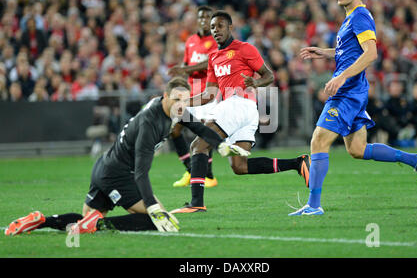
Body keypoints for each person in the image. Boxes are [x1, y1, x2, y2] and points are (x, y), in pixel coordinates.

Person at [5, 77, 249, 236]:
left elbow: (200, 129)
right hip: (118, 176)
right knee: (157, 220)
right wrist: (153, 206)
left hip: (105, 166)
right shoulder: (150, 124)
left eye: (185, 100)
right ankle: (100, 224)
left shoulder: (174, 109)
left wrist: (222, 146)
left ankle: (41, 220)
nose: (182, 105)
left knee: (83, 223)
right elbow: (141, 173)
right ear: (165, 97)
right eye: (176, 99)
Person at [291, 0, 417, 217]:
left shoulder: (359, 16)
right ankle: (415, 160)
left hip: (349, 91)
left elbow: (371, 53)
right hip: (354, 90)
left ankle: (313, 205)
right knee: (357, 149)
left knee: (318, 140)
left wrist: (342, 77)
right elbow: (352, 52)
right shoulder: (350, 18)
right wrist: (325, 52)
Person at [171, 11, 310, 214]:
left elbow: (269, 75)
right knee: (239, 166)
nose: (215, 30)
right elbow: (209, 94)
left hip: (239, 104)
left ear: (230, 27)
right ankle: (298, 163)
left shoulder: (245, 49)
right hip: (240, 110)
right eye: (213, 27)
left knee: (198, 145)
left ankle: (196, 203)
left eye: (220, 26)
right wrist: (185, 102)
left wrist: (256, 82)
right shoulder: (213, 58)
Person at [168, 6, 219, 188]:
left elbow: (209, 64)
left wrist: (185, 69)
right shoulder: (190, 41)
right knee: (175, 130)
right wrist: (179, 78)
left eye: (208, 17)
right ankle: (191, 170)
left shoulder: (214, 40)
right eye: (201, 17)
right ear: (197, 20)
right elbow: (186, 64)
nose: (204, 20)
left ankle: (209, 176)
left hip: (207, 91)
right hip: (191, 91)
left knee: (204, 130)